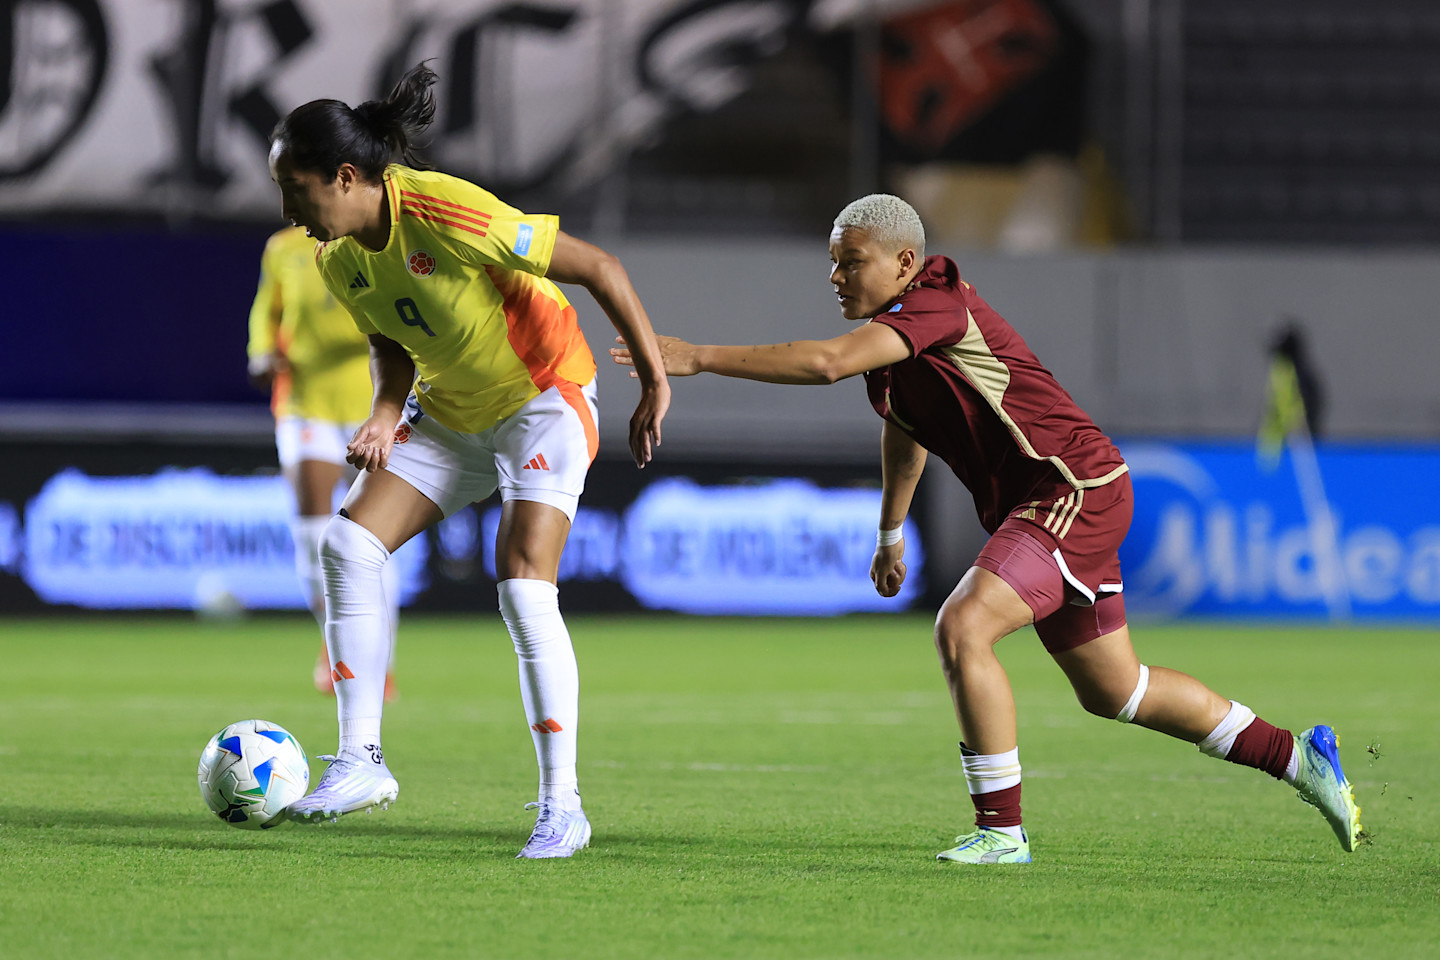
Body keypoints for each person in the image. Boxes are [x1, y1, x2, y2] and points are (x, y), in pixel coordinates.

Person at [612, 194, 1361, 864]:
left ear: (905, 261)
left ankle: (1002, 832)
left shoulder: (936, 301)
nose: (836, 277)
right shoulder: (893, 346)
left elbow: (823, 363)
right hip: (1061, 498)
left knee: (963, 626)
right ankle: (1301, 759)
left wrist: (697, 357)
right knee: (1118, 692)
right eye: (832, 264)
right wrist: (889, 533)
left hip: (1070, 487)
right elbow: (906, 433)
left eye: (852, 262)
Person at [267, 63, 670, 858]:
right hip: (451, 412)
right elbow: (391, 341)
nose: (286, 207)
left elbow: (599, 268)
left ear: (347, 177)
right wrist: (385, 416)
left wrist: (655, 380)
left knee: (523, 587)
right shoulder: (337, 256)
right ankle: (361, 762)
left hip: (544, 399)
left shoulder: (447, 209)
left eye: (295, 187)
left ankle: (563, 807)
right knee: (348, 545)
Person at [247, 224, 400, 700]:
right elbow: (265, 313)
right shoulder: (283, 248)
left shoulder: (375, 240)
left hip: (371, 399)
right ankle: (336, 644)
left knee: (370, 533)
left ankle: (378, 660)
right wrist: (260, 353)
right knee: (313, 532)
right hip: (303, 401)